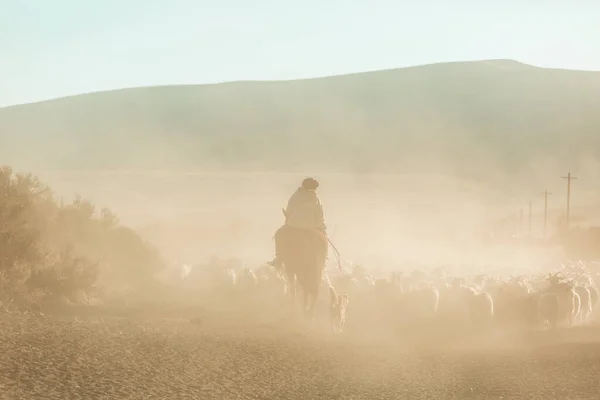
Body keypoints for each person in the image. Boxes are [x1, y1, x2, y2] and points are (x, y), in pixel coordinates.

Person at [268, 177, 328, 269]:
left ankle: (279, 258)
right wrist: (323, 230)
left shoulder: (295, 196)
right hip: (311, 227)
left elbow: (289, 211)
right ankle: (323, 260)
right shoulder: (315, 198)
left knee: (279, 234)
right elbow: (320, 215)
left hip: (293, 225)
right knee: (324, 240)